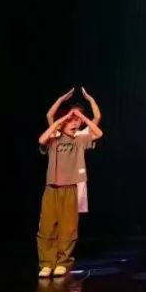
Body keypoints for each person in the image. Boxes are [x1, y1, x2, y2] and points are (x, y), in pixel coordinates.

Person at [37, 107, 104, 277]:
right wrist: (62, 119)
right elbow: (41, 139)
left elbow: (99, 133)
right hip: (52, 188)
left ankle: (62, 262)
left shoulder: (79, 140)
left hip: (70, 188)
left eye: (76, 121)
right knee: (47, 227)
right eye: (71, 121)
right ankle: (47, 263)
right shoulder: (53, 140)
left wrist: (82, 116)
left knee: (68, 228)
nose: (75, 124)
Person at [46, 87, 103, 215]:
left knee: (72, 215)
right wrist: (61, 99)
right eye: (71, 118)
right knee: (56, 214)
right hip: (59, 181)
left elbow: (97, 117)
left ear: (82, 120)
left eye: (77, 119)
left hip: (77, 179)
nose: (74, 121)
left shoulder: (82, 135)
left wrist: (90, 99)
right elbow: (49, 116)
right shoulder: (58, 134)